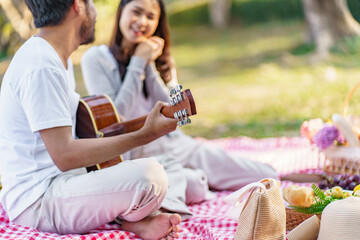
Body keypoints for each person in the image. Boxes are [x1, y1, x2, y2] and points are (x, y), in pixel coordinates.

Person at [0, 0, 183, 239]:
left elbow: (86, 133)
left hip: (64, 182)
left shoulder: (55, 57)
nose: (96, 13)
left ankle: (133, 221)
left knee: (166, 166)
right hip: (38, 202)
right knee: (150, 176)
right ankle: (133, 218)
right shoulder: (41, 65)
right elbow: (65, 155)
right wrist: (144, 135)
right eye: (92, 3)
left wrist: (148, 124)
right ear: (78, 6)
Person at [81, 0, 278, 215]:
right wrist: (137, 63)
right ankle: (193, 182)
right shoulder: (96, 59)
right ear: (121, 12)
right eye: (136, 12)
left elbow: (181, 114)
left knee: (266, 175)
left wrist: (149, 65)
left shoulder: (163, 60)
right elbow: (118, 118)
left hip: (179, 147)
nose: (141, 22)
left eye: (150, 16)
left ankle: (195, 179)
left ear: (158, 23)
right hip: (141, 158)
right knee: (194, 186)